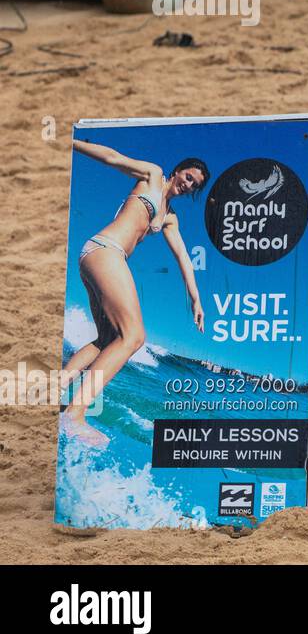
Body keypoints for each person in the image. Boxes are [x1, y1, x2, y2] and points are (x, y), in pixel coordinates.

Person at [60, 139, 208, 446]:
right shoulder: (152, 175)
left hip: (98, 256)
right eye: (188, 176)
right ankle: (74, 414)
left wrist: (196, 298)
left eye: (195, 185)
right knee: (134, 337)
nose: (189, 184)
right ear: (178, 171)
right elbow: (113, 158)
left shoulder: (169, 217)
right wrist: (71, 142)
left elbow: (183, 258)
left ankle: (58, 385)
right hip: (106, 251)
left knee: (107, 339)